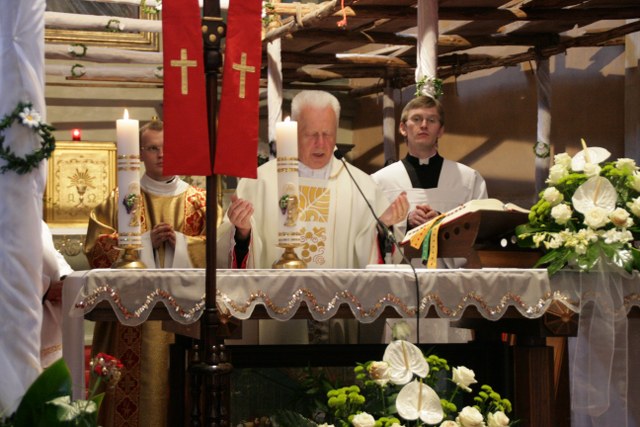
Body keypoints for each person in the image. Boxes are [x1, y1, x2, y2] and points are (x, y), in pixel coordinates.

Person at [217, 90, 408, 343]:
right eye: (311, 134)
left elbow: (381, 258)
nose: (321, 143)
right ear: (295, 132)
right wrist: (242, 232)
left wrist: (383, 228)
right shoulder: (259, 182)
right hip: (277, 317)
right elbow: (228, 251)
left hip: (340, 317)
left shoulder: (360, 185)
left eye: (327, 134)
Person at [84, 118, 206, 427]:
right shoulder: (120, 199)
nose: (161, 155)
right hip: (129, 321)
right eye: (152, 148)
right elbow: (96, 250)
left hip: (184, 319)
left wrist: (182, 243)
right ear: (139, 153)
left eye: (167, 147)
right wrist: (141, 243)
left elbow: (218, 251)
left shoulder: (198, 202)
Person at [372, 95, 487, 266]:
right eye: (416, 119)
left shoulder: (469, 179)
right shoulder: (380, 181)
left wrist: (442, 222)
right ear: (403, 128)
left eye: (431, 120)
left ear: (440, 130)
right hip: (399, 277)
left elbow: (482, 232)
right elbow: (369, 235)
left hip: (452, 277)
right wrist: (406, 223)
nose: (424, 125)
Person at [41, 220, 74, 368]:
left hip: (50, 314)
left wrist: (67, 278)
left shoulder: (38, 222)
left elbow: (51, 254)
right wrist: (45, 288)